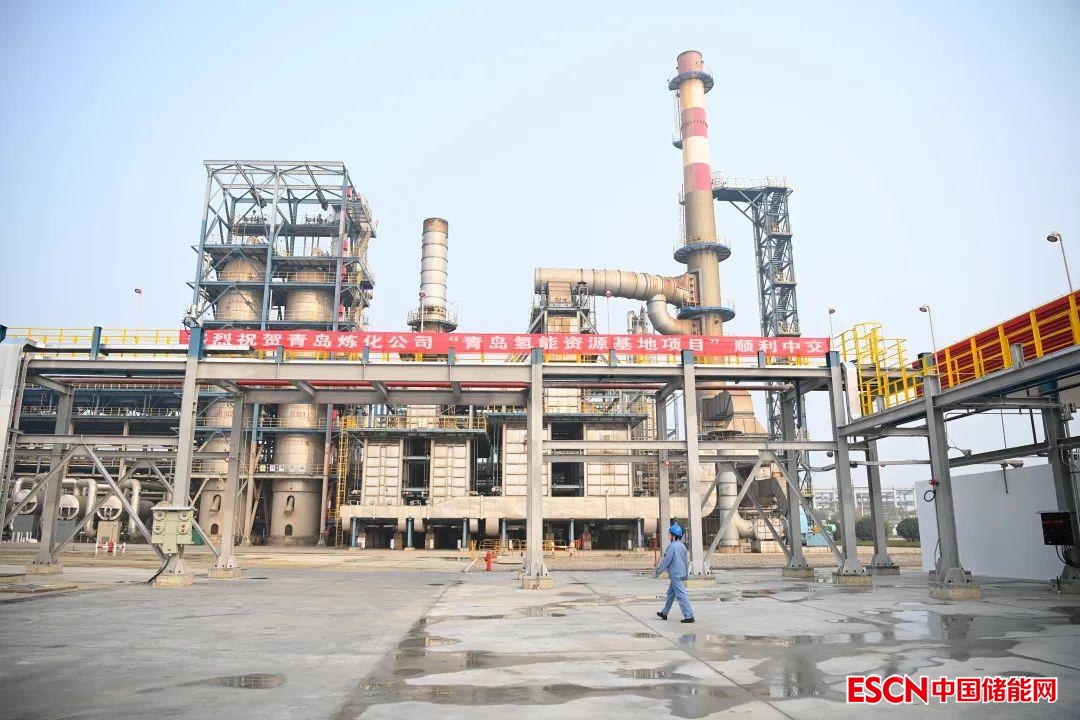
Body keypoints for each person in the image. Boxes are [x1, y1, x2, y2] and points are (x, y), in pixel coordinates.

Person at [654, 523, 695, 623]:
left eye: (669, 534)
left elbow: (666, 561)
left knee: (681, 595)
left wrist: (658, 571)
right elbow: (685, 561)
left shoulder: (672, 547)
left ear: (673, 535)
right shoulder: (682, 546)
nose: (669, 536)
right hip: (680, 574)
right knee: (670, 594)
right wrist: (685, 574)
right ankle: (664, 613)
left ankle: (689, 616)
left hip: (675, 575)